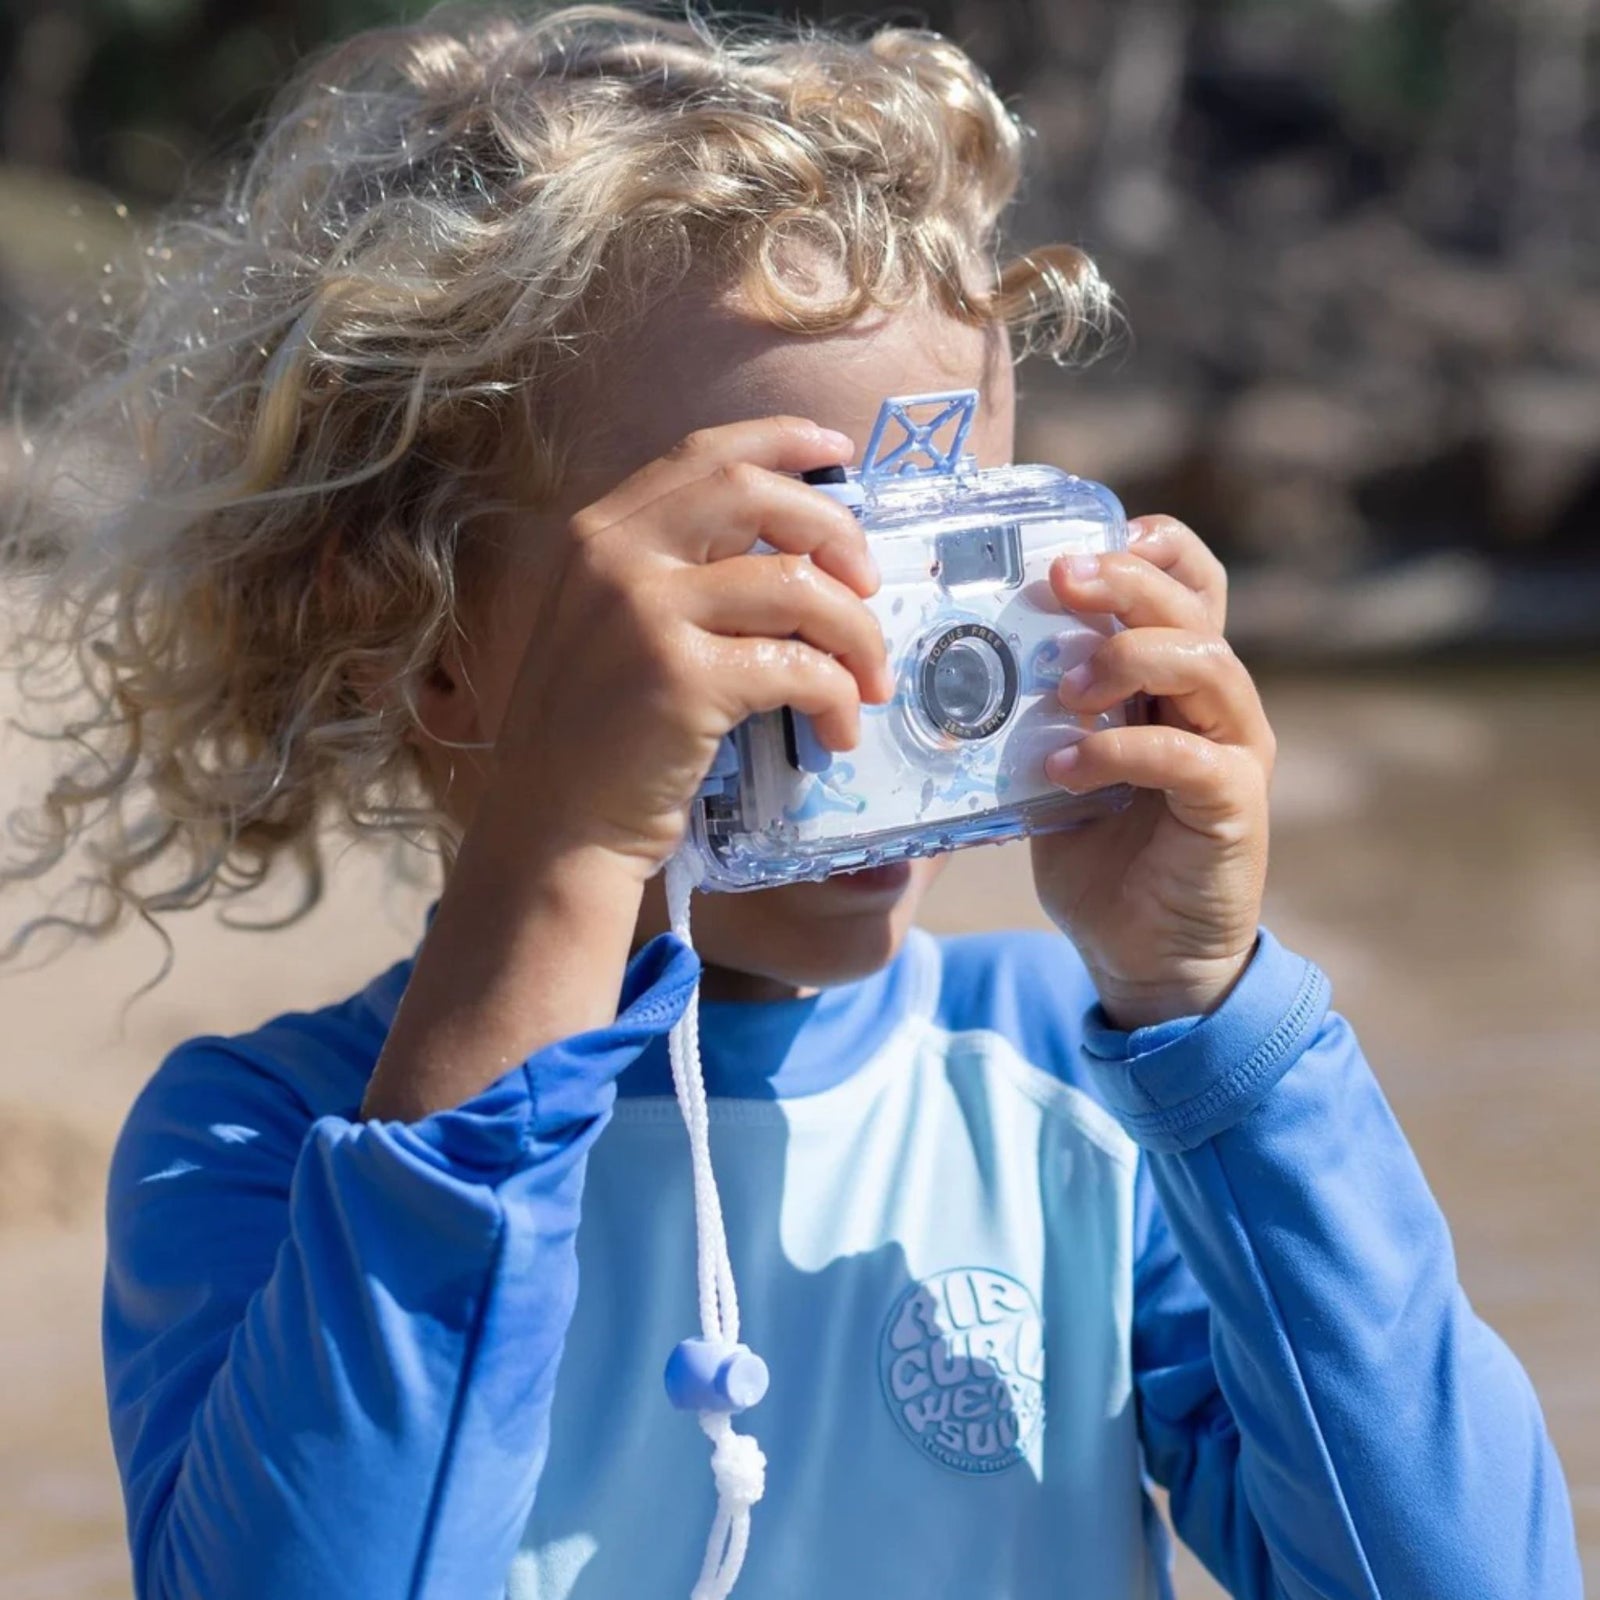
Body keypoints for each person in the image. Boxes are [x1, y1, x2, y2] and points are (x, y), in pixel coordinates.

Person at [2, 6, 1579, 1598]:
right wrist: (565, 865)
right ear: (413, 636)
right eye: (761, 578)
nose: (865, 682)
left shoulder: (1081, 1095)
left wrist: (1218, 1028)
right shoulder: (266, 1148)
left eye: (939, 572)